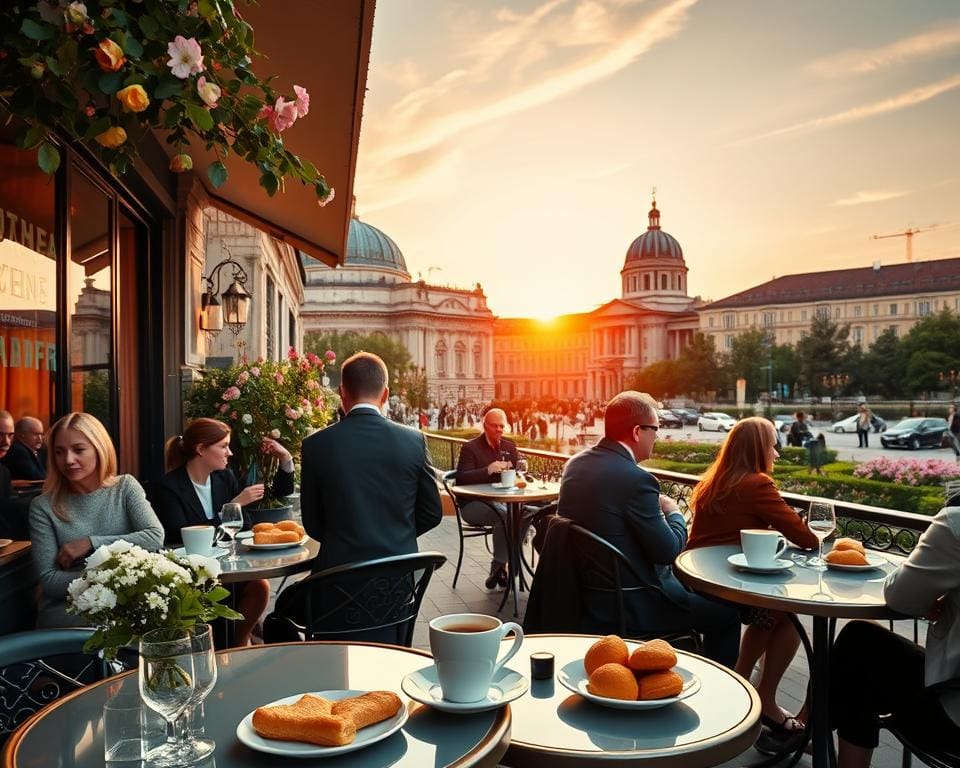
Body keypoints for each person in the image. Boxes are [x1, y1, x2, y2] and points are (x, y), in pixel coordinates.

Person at [558, 390, 740, 668]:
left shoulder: (575, 465)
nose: (658, 435)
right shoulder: (637, 479)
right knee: (727, 617)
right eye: (655, 428)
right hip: (635, 601)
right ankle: (721, 691)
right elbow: (668, 551)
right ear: (636, 431)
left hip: (587, 596)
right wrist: (674, 511)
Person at [687, 417, 818, 747]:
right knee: (783, 614)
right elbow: (806, 537)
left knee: (776, 613)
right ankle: (753, 693)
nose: (776, 452)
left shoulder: (715, 480)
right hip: (729, 586)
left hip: (702, 579)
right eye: (773, 444)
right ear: (759, 448)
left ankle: (747, 688)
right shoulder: (756, 483)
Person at [830, 504, 960, 768]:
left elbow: (901, 595)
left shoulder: (956, 524)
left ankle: (809, 724)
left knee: (858, 643)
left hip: (952, 720)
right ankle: (809, 720)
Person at [147, 417, 294, 646]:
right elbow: (179, 534)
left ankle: (239, 644)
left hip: (228, 567)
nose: (230, 453)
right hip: (192, 576)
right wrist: (232, 506)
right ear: (201, 449)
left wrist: (285, 458)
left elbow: (245, 522)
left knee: (260, 586)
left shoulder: (224, 478)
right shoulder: (168, 487)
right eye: (224, 446)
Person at [300, 352, 443, 571]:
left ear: (341, 392)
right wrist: (397, 536)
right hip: (397, 581)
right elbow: (432, 513)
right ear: (385, 395)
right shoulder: (414, 440)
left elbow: (313, 523)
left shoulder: (315, 445)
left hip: (336, 581)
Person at [28, 412, 164, 628]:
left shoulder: (125, 487)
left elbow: (154, 536)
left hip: (127, 603)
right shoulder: (43, 506)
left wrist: (91, 543)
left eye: (79, 450)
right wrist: (116, 579)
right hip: (70, 610)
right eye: (59, 452)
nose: (68, 460)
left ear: (99, 448)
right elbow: (50, 581)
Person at [455, 407, 521, 589]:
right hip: (473, 505)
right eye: (494, 426)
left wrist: (516, 473)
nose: (499, 429)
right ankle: (506, 566)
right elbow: (461, 478)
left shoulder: (509, 446)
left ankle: (499, 567)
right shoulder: (471, 447)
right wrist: (487, 470)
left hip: (502, 501)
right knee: (507, 516)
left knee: (524, 514)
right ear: (485, 426)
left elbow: (519, 474)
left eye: (502, 426)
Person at [2, 416, 47, 481]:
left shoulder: (41, 451)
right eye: (35, 434)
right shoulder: (18, 450)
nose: (40, 438)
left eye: (41, 434)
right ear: (22, 434)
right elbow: (37, 478)